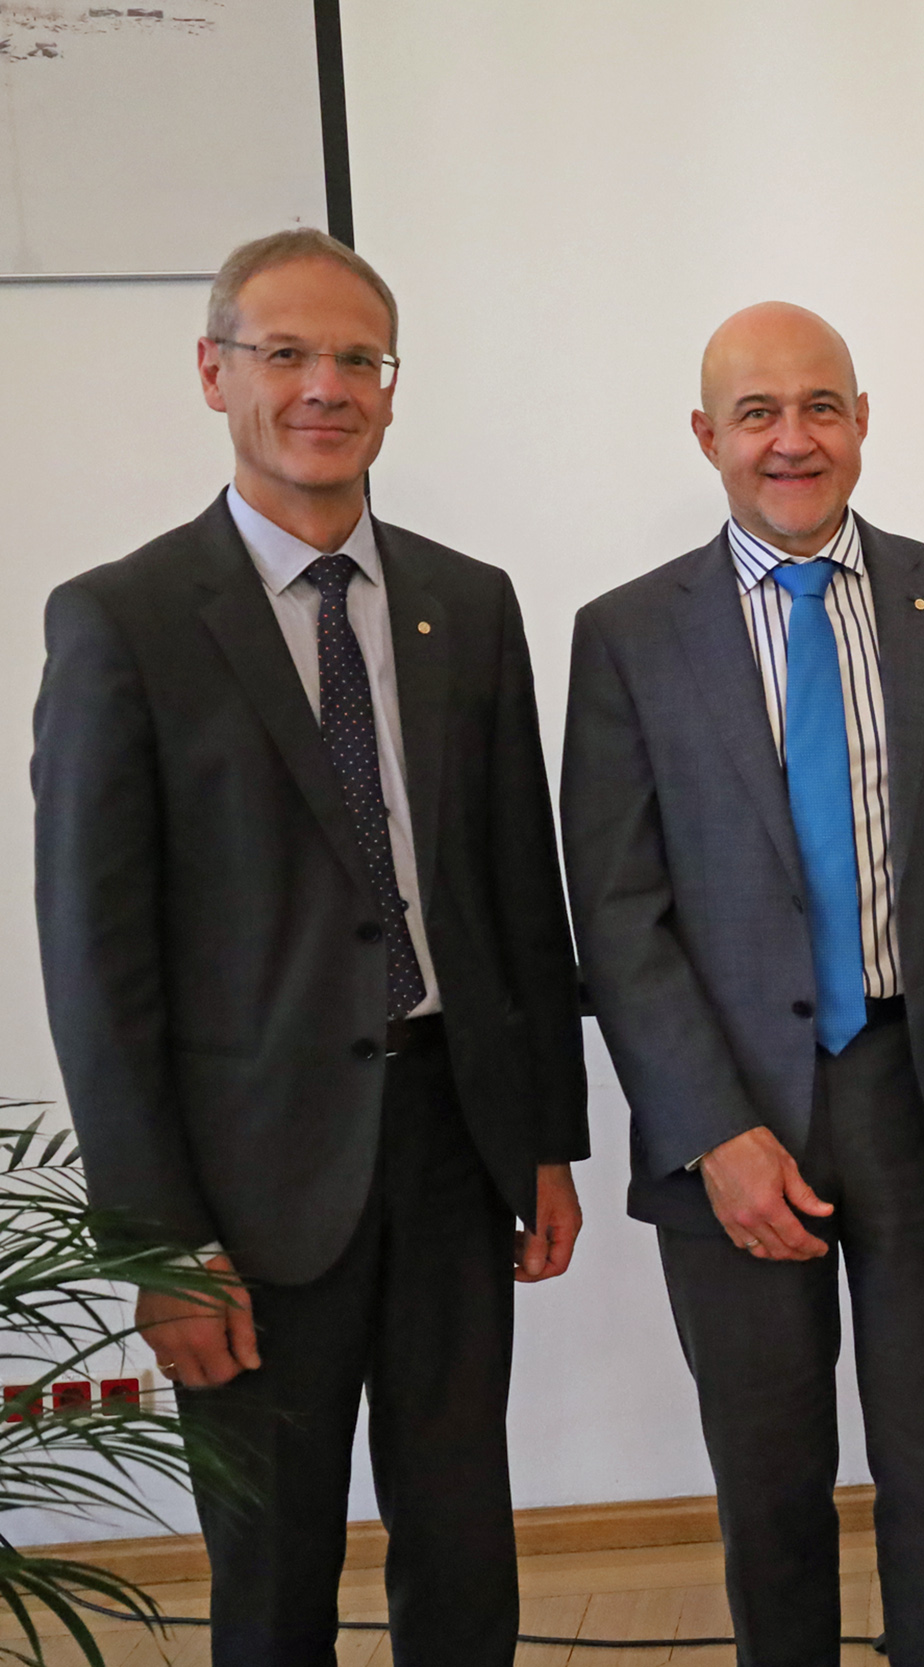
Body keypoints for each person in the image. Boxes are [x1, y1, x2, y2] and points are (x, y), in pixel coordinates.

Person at [31, 227, 588, 1663]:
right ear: (215, 371)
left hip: (455, 1141)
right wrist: (160, 1242)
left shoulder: (469, 602)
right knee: (272, 1565)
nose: (324, 386)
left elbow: (517, 893)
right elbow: (97, 967)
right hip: (247, 1182)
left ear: (392, 389)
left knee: (462, 1536)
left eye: (357, 358)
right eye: (285, 353)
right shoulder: (122, 620)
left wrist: (544, 1138)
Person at [561, 301, 924, 1666]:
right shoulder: (627, 632)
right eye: (758, 412)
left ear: (863, 421)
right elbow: (617, 909)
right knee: (768, 1469)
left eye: (821, 406)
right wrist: (711, 1128)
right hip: (731, 1113)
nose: (793, 438)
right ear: (706, 435)